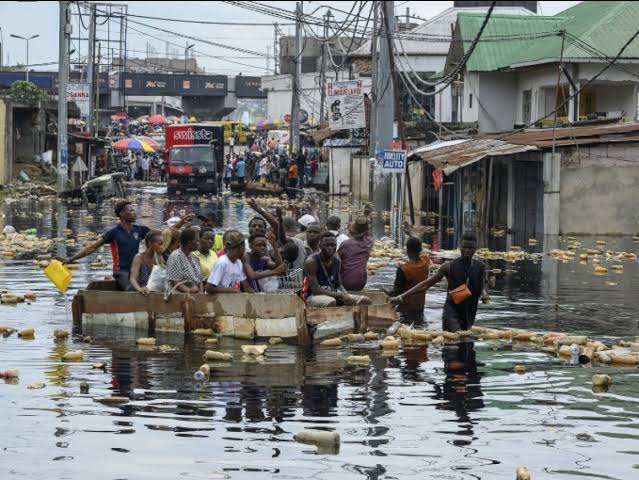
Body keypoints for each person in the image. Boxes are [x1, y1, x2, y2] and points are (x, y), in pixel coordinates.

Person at [390, 232, 489, 332]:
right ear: (459, 247)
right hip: (452, 314)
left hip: (469, 313)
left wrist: (484, 294)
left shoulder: (480, 267)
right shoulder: (449, 266)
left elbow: (482, 285)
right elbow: (425, 284)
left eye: (470, 248)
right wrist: (400, 297)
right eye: (464, 247)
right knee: (454, 342)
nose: (467, 250)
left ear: (476, 248)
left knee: (465, 343)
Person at [62, 200, 149, 291]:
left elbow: (157, 238)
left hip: (136, 270)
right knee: (131, 289)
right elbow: (92, 247)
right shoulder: (114, 232)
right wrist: (71, 259)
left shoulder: (139, 230)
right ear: (122, 214)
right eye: (131, 211)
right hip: (121, 272)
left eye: (134, 210)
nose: (134, 213)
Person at [302, 232, 371, 308]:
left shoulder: (337, 261)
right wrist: (338, 295)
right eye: (327, 245)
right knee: (331, 302)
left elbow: (339, 284)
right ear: (320, 246)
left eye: (333, 245)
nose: (330, 248)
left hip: (333, 294)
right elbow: (315, 289)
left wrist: (346, 295)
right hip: (313, 296)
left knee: (365, 301)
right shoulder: (311, 262)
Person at [386, 225, 431, 324]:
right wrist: (411, 233)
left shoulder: (404, 269)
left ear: (407, 250)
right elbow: (420, 245)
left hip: (405, 309)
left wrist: (387, 293)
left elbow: (396, 292)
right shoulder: (426, 262)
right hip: (419, 307)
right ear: (420, 250)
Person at [338, 216, 374, 291]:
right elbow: (368, 234)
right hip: (361, 282)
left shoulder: (346, 244)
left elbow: (336, 260)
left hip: (345, 282)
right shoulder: (369, 242)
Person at [165, 227, 204, 294]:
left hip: (195, 295)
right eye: (197, 240)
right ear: (189, 242)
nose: (199, 243)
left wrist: (200, 293)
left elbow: (200, 280)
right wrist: (190, 291)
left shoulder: (194, 257)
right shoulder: (176, 256)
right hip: (179, 298)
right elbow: (176, 282)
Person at [129, 230, 165, 295]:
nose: (162, 247)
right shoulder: (139, 257)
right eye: (159, 244)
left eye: (163, 244)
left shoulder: (159, 258)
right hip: (140, 293)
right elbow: (132, 279)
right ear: (150, 243)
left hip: (153, 291)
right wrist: (140, 289)